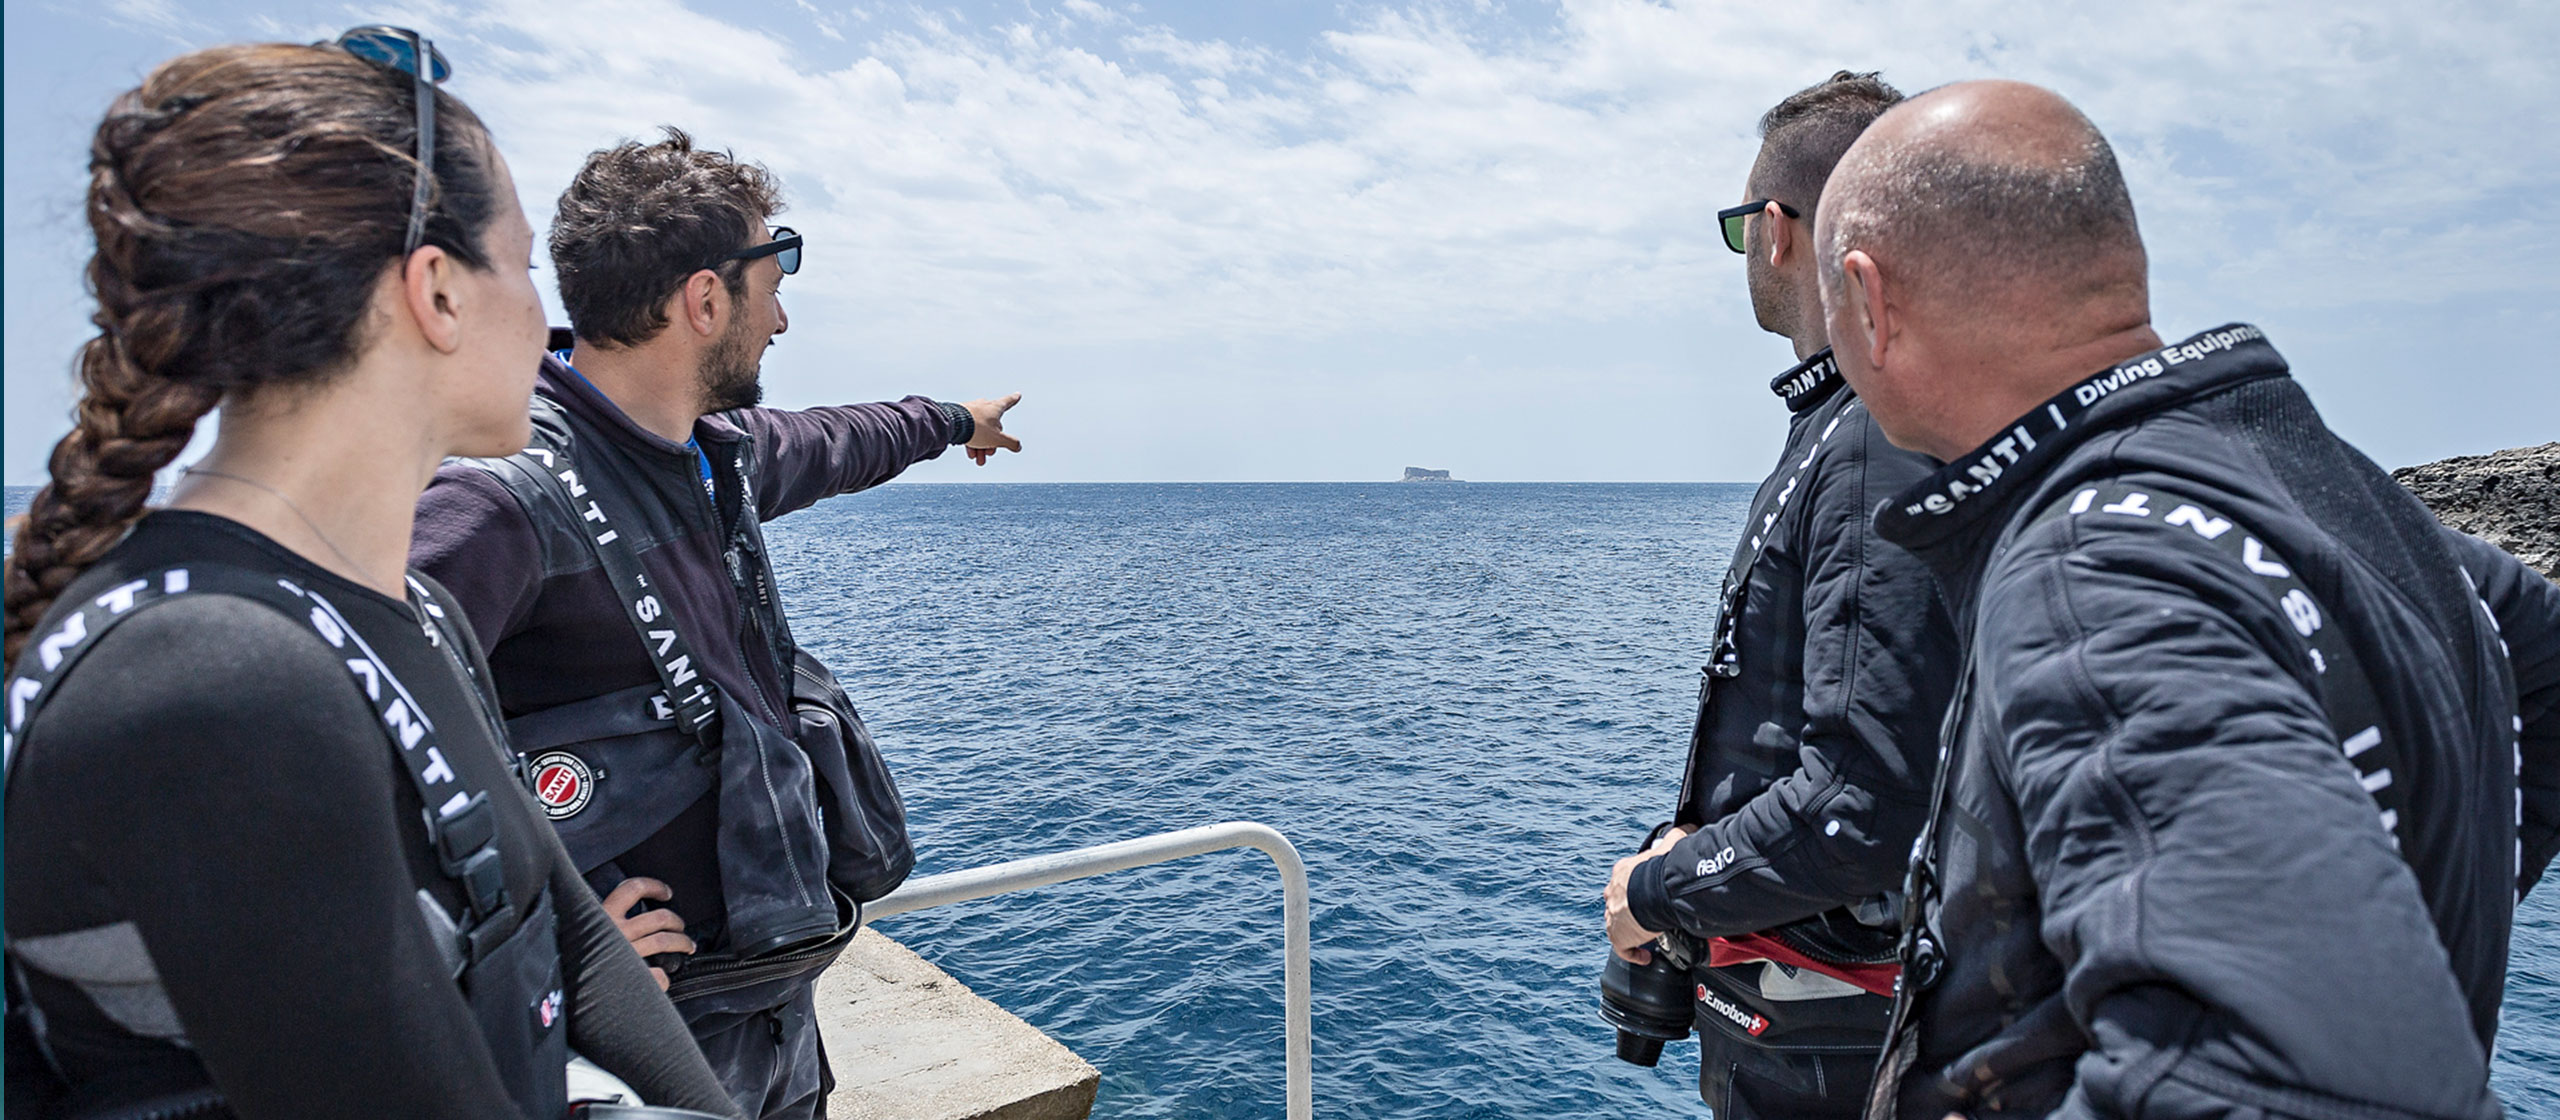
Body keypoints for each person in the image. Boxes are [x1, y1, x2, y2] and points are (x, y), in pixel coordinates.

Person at [1, 32, 739, 1119]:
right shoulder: (208, 677)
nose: (547, 321)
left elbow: (561, 924)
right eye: (527, 267)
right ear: (436, 293)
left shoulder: (407, 612)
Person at [1814, 80, 2560, 1118]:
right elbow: (2546, 666)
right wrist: (2412, 910)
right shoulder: (2320, 486)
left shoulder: (2090, 570)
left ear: (1869, 300)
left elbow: (2315, 1081)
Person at [409, 129, 1022, 1119]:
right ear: (703, 300)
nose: (781, 314)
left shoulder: (713, 454)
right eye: (772, 275)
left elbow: (844, 439)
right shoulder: (500, 502)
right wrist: (541, 945)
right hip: (648, 1044)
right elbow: (334, 744)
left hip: (770, 1006)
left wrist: (956, 419)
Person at [1595, 71, 1960, 1118]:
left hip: (1825, 1039)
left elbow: (1862, 806)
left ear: (1774, 231)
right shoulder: (1863, 423)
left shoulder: (1869, 445)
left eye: (1739, 224)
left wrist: (1658, 888)